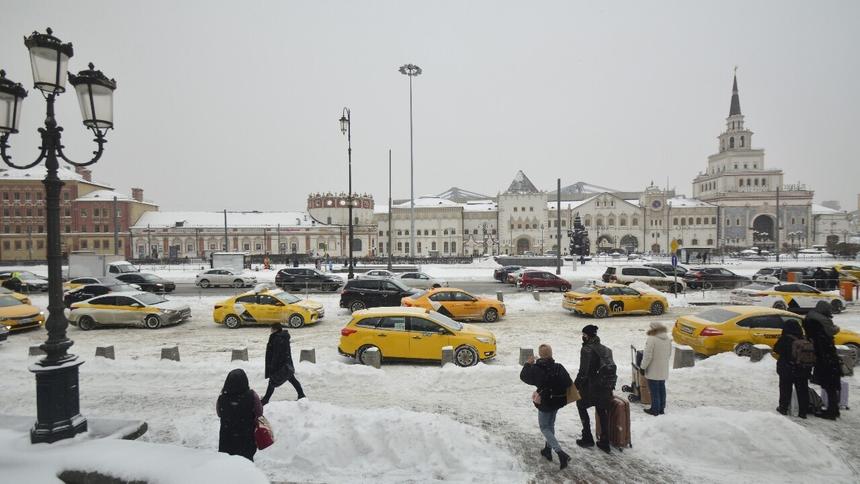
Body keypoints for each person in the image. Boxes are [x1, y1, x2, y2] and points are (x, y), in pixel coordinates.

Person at [519, 344, 573, 470]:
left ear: (540, 355)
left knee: (544, 427)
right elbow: (568, 382)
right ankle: (547, 450)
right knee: (550, 425)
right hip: (558, 401)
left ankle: (560, 453)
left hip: (546, 403)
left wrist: (528, 364)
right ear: (551, 353)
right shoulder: (559, 367)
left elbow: (524, 377)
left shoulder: (537, 368)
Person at [574, 324, 613, 453]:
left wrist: (575, 385)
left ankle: (587, 437)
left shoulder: (586, 350)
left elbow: (583, 372)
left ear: (588, 336)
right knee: (602, 411)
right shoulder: (606, 349)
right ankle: (605, 441)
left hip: (591, 387)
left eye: (584, 335)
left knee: (580, 405)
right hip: (605, 387)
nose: (582, 337)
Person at [804, 301, 842, 419]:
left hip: (823, 358)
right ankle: (833, 410)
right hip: (828, 358)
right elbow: (831, 333)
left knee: (829, 385)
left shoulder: (811, 321)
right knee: (831, 385)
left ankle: (832, 410)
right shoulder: (823, 324)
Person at [217, 369, 263, 461]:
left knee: (226, 464)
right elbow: (259, 413)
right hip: (246, 438)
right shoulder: (252, 396)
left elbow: (219, 413)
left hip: (227, 439)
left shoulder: (222, 398)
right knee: (246, 464)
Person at [773, 319, 811, 418]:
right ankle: (803, 411)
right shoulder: (804, 338)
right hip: (803, 368)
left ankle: (783, 408)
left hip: (787, 368)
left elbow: (776, 349)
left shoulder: (785, 338)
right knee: (802, 390)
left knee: (785, 389)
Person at [261, 324, 305, 405]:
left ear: (275, 329)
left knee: (272, 381)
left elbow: (276, 354)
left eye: (272, 329)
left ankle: (265, 400)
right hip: (285, 363)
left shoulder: (277, 338)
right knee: (292, 379)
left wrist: (272, 366)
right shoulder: (283, 337)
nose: (271, 331)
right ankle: (301, 395)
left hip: (279, 365)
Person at [640, 322, 671, 416]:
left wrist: (643, 367)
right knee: (662, 388)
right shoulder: (667, 339)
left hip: (653, 370)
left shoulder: (652, 339)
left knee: (654, 391)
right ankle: (661, 408)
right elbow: (669, 354)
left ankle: (655, 410)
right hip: (663, 369)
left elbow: (647, 356)